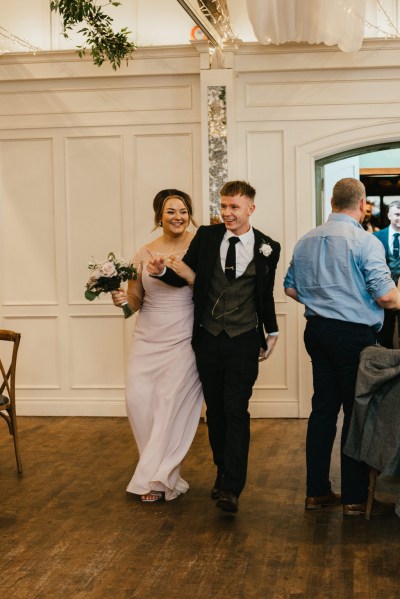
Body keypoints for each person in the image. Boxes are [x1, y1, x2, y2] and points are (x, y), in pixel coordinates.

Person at [148, 180, 280, 513]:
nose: (227, 213)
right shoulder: (206, 238)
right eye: (223, 206)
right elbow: (184, 277)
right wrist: (163, 271)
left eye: (234, 207)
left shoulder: (268, 247)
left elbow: (263, 295)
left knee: (236, 410)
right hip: (207, 338)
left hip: (244, 340)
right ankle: (222, 471)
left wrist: (272, 332)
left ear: (250, 208)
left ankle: (232, 487)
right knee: (217, 412)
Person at [284, 177, 400, 517]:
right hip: (352, 336)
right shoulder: (364, 242)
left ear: (332, 202)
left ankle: (316, 493)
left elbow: (290, 290)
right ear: (362, 204)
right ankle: (353, 496)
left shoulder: (306, 239)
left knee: (322, 410)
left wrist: (324, 299)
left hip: (317, 331)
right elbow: (385, 295)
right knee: (355, 411)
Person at [111, 189, 204, 503]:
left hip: (184, 334)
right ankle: (157, 468)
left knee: (168, 402)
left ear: (189, 214)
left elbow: (209, 288)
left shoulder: (200, 244)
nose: (177, 217)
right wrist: (123, 301)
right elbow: (135, 302)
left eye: (182, 211)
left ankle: (157, 478)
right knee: (138, 401)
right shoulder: (144, 251)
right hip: (147, 335)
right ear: (159, 217)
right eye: (170, 212)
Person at [374, 200, 400, 348]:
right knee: (385, 337)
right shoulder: (376, 237)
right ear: (389, 215)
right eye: (396, 214)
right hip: (384, 294)